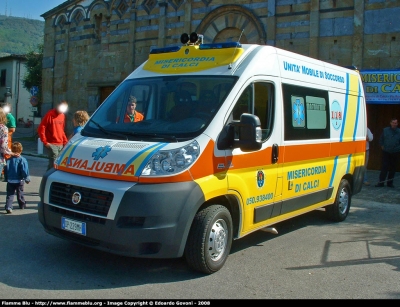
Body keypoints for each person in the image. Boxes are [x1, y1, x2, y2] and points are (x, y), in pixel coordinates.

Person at [38, 100, 69, 171]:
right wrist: (45, 142)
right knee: (54, 165)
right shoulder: (50, 114)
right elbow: (41, 127)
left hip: (60, 144)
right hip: (52, 143)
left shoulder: (62, 116)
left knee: (57, 164)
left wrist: (65, 141)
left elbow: (61, 130)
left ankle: (48, 178)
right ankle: (48, 179)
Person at [4, 142, 30, 214]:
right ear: (21, 150)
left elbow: (6, 170)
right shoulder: (22, 160)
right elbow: (24, 170)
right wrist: (27, 178)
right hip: (19, 180)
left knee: (10, 194)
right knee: (20, 193)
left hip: (10, 180)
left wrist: (6, 178)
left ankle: (8, 206)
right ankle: (22, 204)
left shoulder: (8, 160)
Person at [375, 118, 400, 188]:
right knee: (384, 168)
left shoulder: (399, 131)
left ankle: (390, 183)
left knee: (393, 168)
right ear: (390, 123)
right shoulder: (385, 130)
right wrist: (382, 146)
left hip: (395, 152)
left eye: (396, 123)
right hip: (386, 151)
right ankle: (381, 183)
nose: (394, 124)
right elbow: (381, 139)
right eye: (393, 123)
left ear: (397, 124)